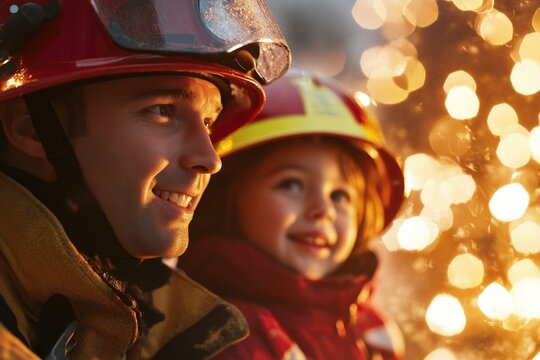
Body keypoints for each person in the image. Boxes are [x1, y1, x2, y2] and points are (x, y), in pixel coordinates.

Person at [0, 0, 290, 358]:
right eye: (162, 110)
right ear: (32, 129)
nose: (210, 159)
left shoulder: (153, 323)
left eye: (209, 122)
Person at [181, 70, 406, 359]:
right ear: (226, 196)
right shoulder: (225, 336)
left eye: (340, 196)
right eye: (291, 184)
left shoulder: (371, 330)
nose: (321, 210)